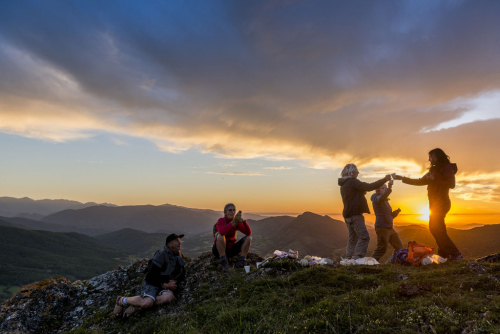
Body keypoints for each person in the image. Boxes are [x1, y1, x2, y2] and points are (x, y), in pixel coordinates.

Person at [394, 148, 463, 260]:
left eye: (431, 157)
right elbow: (419, 181)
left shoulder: (447, 168)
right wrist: (402, 178)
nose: (429, 159)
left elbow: (451, 184)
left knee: (437, 230)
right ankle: (444, 254)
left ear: (437, 156)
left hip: (442, 204)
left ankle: (456, 254)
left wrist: (434, 179)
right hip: (434, 205)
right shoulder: (433, 170)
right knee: (436, 230)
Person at [113, 233, 186, 318]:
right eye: (176, 241)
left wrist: (175, 281)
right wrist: (164, 284)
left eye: (179, 241)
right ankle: (122, 300)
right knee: (147, 302)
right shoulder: (161, 255)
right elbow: (150, 277)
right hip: (152, 283)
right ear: (170, 244)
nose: (179, 243)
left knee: (169, 297)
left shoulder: (178, 255)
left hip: (164, 285)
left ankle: (137, 305)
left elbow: (182, 271)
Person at [339, 164, 391, 260]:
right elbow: (369, 186)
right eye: (356, 171)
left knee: (352, 239)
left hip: (347, 215)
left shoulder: (344, 184)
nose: (358, 172)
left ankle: (348, 259)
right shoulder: (352, 181)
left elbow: (351, 196)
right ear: (351, 172)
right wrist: (384, 179)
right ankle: (357, 258)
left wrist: (360, 192)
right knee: (364, 237)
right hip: (355, 215)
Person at [370, 180, 404, 261]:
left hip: (389, 227)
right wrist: (389, 188)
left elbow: (389, 216)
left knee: (399, 246)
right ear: (377, 190)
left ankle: (395, 262)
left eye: (385, 188)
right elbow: (381, 198)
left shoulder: (385, 201)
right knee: (381, 249)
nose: (384, 190)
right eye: (382, 188)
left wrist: (396, 212)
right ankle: (370, 264)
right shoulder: (376, 198)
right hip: (382, 227)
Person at [213, 203, 252, 271]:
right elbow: (222, 232)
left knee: (248, 238)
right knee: (220, 236)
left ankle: (241, 260)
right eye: (230, 210)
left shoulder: (236, 222)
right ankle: (223, 261)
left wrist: (243, 221)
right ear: (225, 212)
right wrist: (233, 222)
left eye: (234, 210)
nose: (232, 212)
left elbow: (248, 233)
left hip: (231, 250)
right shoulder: (221, 220)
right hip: (218, 250)